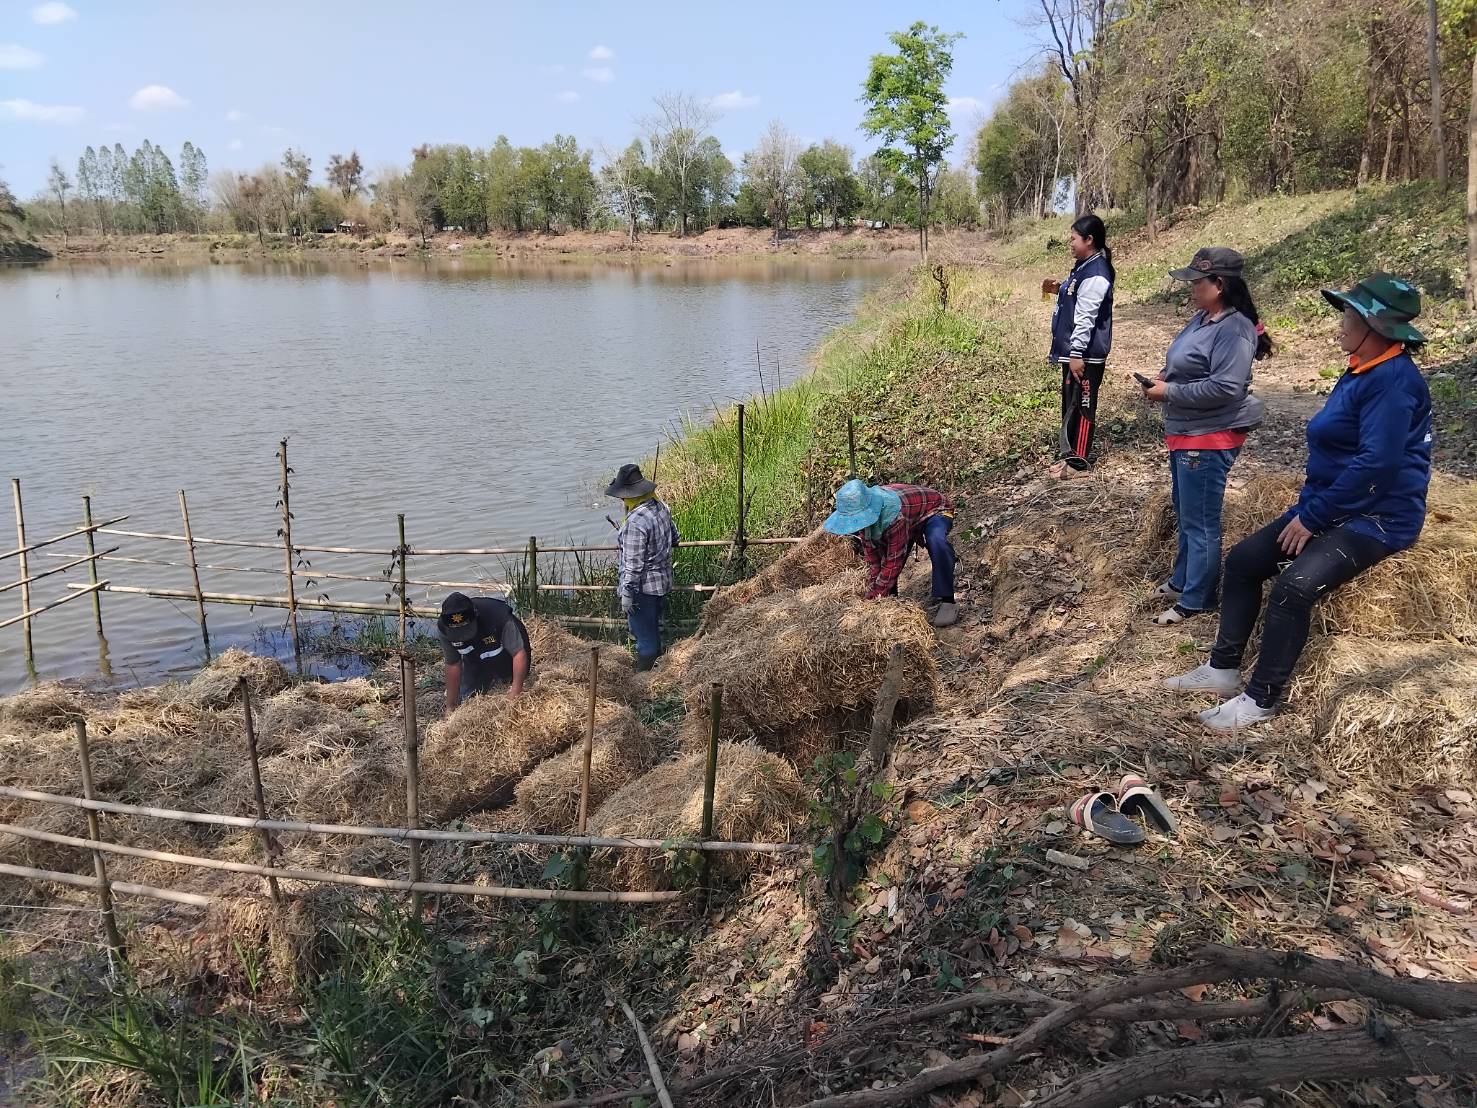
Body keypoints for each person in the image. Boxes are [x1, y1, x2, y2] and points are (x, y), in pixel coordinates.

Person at [1165, 273, 1432, 729]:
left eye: (1349, 316)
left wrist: (1313, 517)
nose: (1340, 324)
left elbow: (1377, 465)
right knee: (1244, 562)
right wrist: (1313, 508)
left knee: (1294, 589)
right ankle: (1223, 669)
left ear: (1376, 327)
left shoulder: (1392, 382)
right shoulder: (1362, 368)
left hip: (1378, 516)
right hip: (1332, 503)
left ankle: (1261, 699)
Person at [1141, 246, 1271, 626]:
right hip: (1186, 431)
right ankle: (1182, 581)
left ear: (1219, 284)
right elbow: (1188, 364)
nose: (1191, 288)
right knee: (1186, 511)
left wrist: (1169, 392)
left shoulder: (1235, 329)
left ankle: (1198, 598)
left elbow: (1225, 387)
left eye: (1198, 281)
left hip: (1209, 436)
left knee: (1201, 521)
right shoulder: (1202, 319)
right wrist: (1164, 378)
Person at [823, 479, 958, 628]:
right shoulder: (864, 522)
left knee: (936, 541)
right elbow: (875, 563)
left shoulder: (894, 516)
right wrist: (874, 594)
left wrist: (873, 597)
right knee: (884, 564)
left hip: (935, 510)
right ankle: (891, 602)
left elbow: (894, 561)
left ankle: (948, 601)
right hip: (910, 516)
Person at [1048, 214, 1116, 478]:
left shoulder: (1097, 273)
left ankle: (1079, 464)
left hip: (1085, 356)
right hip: (1073, 353)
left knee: (1084, 406)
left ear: (1089, 240)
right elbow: (1076, 295)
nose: (1070, 243)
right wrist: (1059, 288)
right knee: (1070, 405)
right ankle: (1070, 456)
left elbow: (1086, 316)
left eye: (1073, 238)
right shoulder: (1083, 266)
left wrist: (1077, 353)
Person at [607, 463, 679, 672]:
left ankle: (645, 679)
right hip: (662, 582)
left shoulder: (635, 523)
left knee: (644, 638)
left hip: (643, 588)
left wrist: (627, 593)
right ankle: (658, 669)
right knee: (654, 630)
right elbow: (675, 538)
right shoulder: (661, 507)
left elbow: (633, 564)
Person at [437, 591, 531, 710]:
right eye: (457, 632)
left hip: (503, 652)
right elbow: (452, 663)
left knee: (509, 679)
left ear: (476, 615)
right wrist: (450, 705)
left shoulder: (499, 617)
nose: (462, 636)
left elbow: (518, 653)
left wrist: (515, 694)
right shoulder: (444, 628)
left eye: (465, 629)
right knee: (465, 696)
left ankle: (502, 677)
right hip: (475, 657)